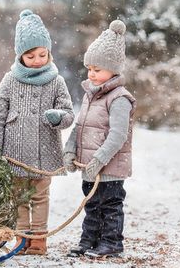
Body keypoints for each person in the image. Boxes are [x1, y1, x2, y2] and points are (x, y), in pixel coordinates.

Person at [0, 9, 74, 255]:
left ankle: (39, 240)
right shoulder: (10, 80)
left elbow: (68, 113)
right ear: (20, 56)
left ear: (49, 53)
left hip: (43, 152)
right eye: (30, 55)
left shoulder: (56, 81)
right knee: (19, 198)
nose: (37, 60)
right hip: (14, 152)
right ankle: (22, 238)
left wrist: (59, 118)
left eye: (42, 54)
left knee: (40, 196)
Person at [63, 20, 136, 258]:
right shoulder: (90, 95)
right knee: (91, 206)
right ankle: (89, 240)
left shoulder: (119, 98)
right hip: (89, 168)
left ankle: (111, 242)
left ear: (113, 70)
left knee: (110, 206)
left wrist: (99, 159)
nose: (92, 74)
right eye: (90, 69)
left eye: (98, 70)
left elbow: (118, 135)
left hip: (109, 167)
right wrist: (70, 150)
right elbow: (80, 126)